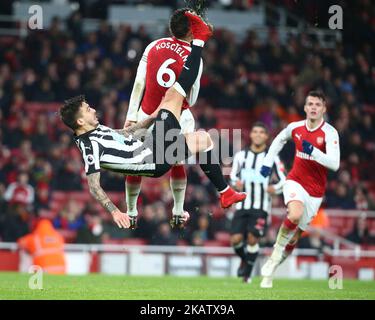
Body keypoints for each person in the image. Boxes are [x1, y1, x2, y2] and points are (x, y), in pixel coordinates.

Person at [59, 13, 246, 230]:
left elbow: (123, 135)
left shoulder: (96, 131)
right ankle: (200, 41)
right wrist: (114, 211)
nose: (93, 109)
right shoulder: (88, 145)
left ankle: (225, 193)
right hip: (152, 156)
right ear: (80, 120)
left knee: (204, 139)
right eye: (88, 109)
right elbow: (93, 186)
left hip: (152, 149)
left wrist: (147, 118)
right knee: (175, 94)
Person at [124, 8, 203, 229]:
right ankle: (178, 209)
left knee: (135, 165)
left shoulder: (153, 45)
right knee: (177, 160)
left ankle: (131, 212)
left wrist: (131, 116)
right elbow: (193, 98)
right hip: (178, 117)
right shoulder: (195, 56)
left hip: (145, 114)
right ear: (192, 31)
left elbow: (139, 83)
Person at [259, 90, 340, 288]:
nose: (313, 107)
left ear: (323, 109)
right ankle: (275, 253)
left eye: (317, 104)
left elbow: (335, 163)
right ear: (304, 108)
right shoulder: (295, 127)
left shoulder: (330, 133)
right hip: (295, 180)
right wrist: (268, 162)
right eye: (310, 104)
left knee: (295, 236)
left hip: (315, 192)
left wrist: (314, 151)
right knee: (294, 215)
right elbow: (279, 139)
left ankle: (273, 266)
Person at [230, 122, 286, 283]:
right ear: (251, 134)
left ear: (266, 137)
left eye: (262, 132)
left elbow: (284, 179)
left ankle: (247, 273)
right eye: (255, 131)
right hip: (242, 205)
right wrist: (235, 184)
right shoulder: (241, 156)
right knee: (235, 240)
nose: (258, 134)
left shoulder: (272, 158)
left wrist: (274, 189)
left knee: (253, 239)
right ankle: (246, 261)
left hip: (261, 206)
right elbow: (233, 176)